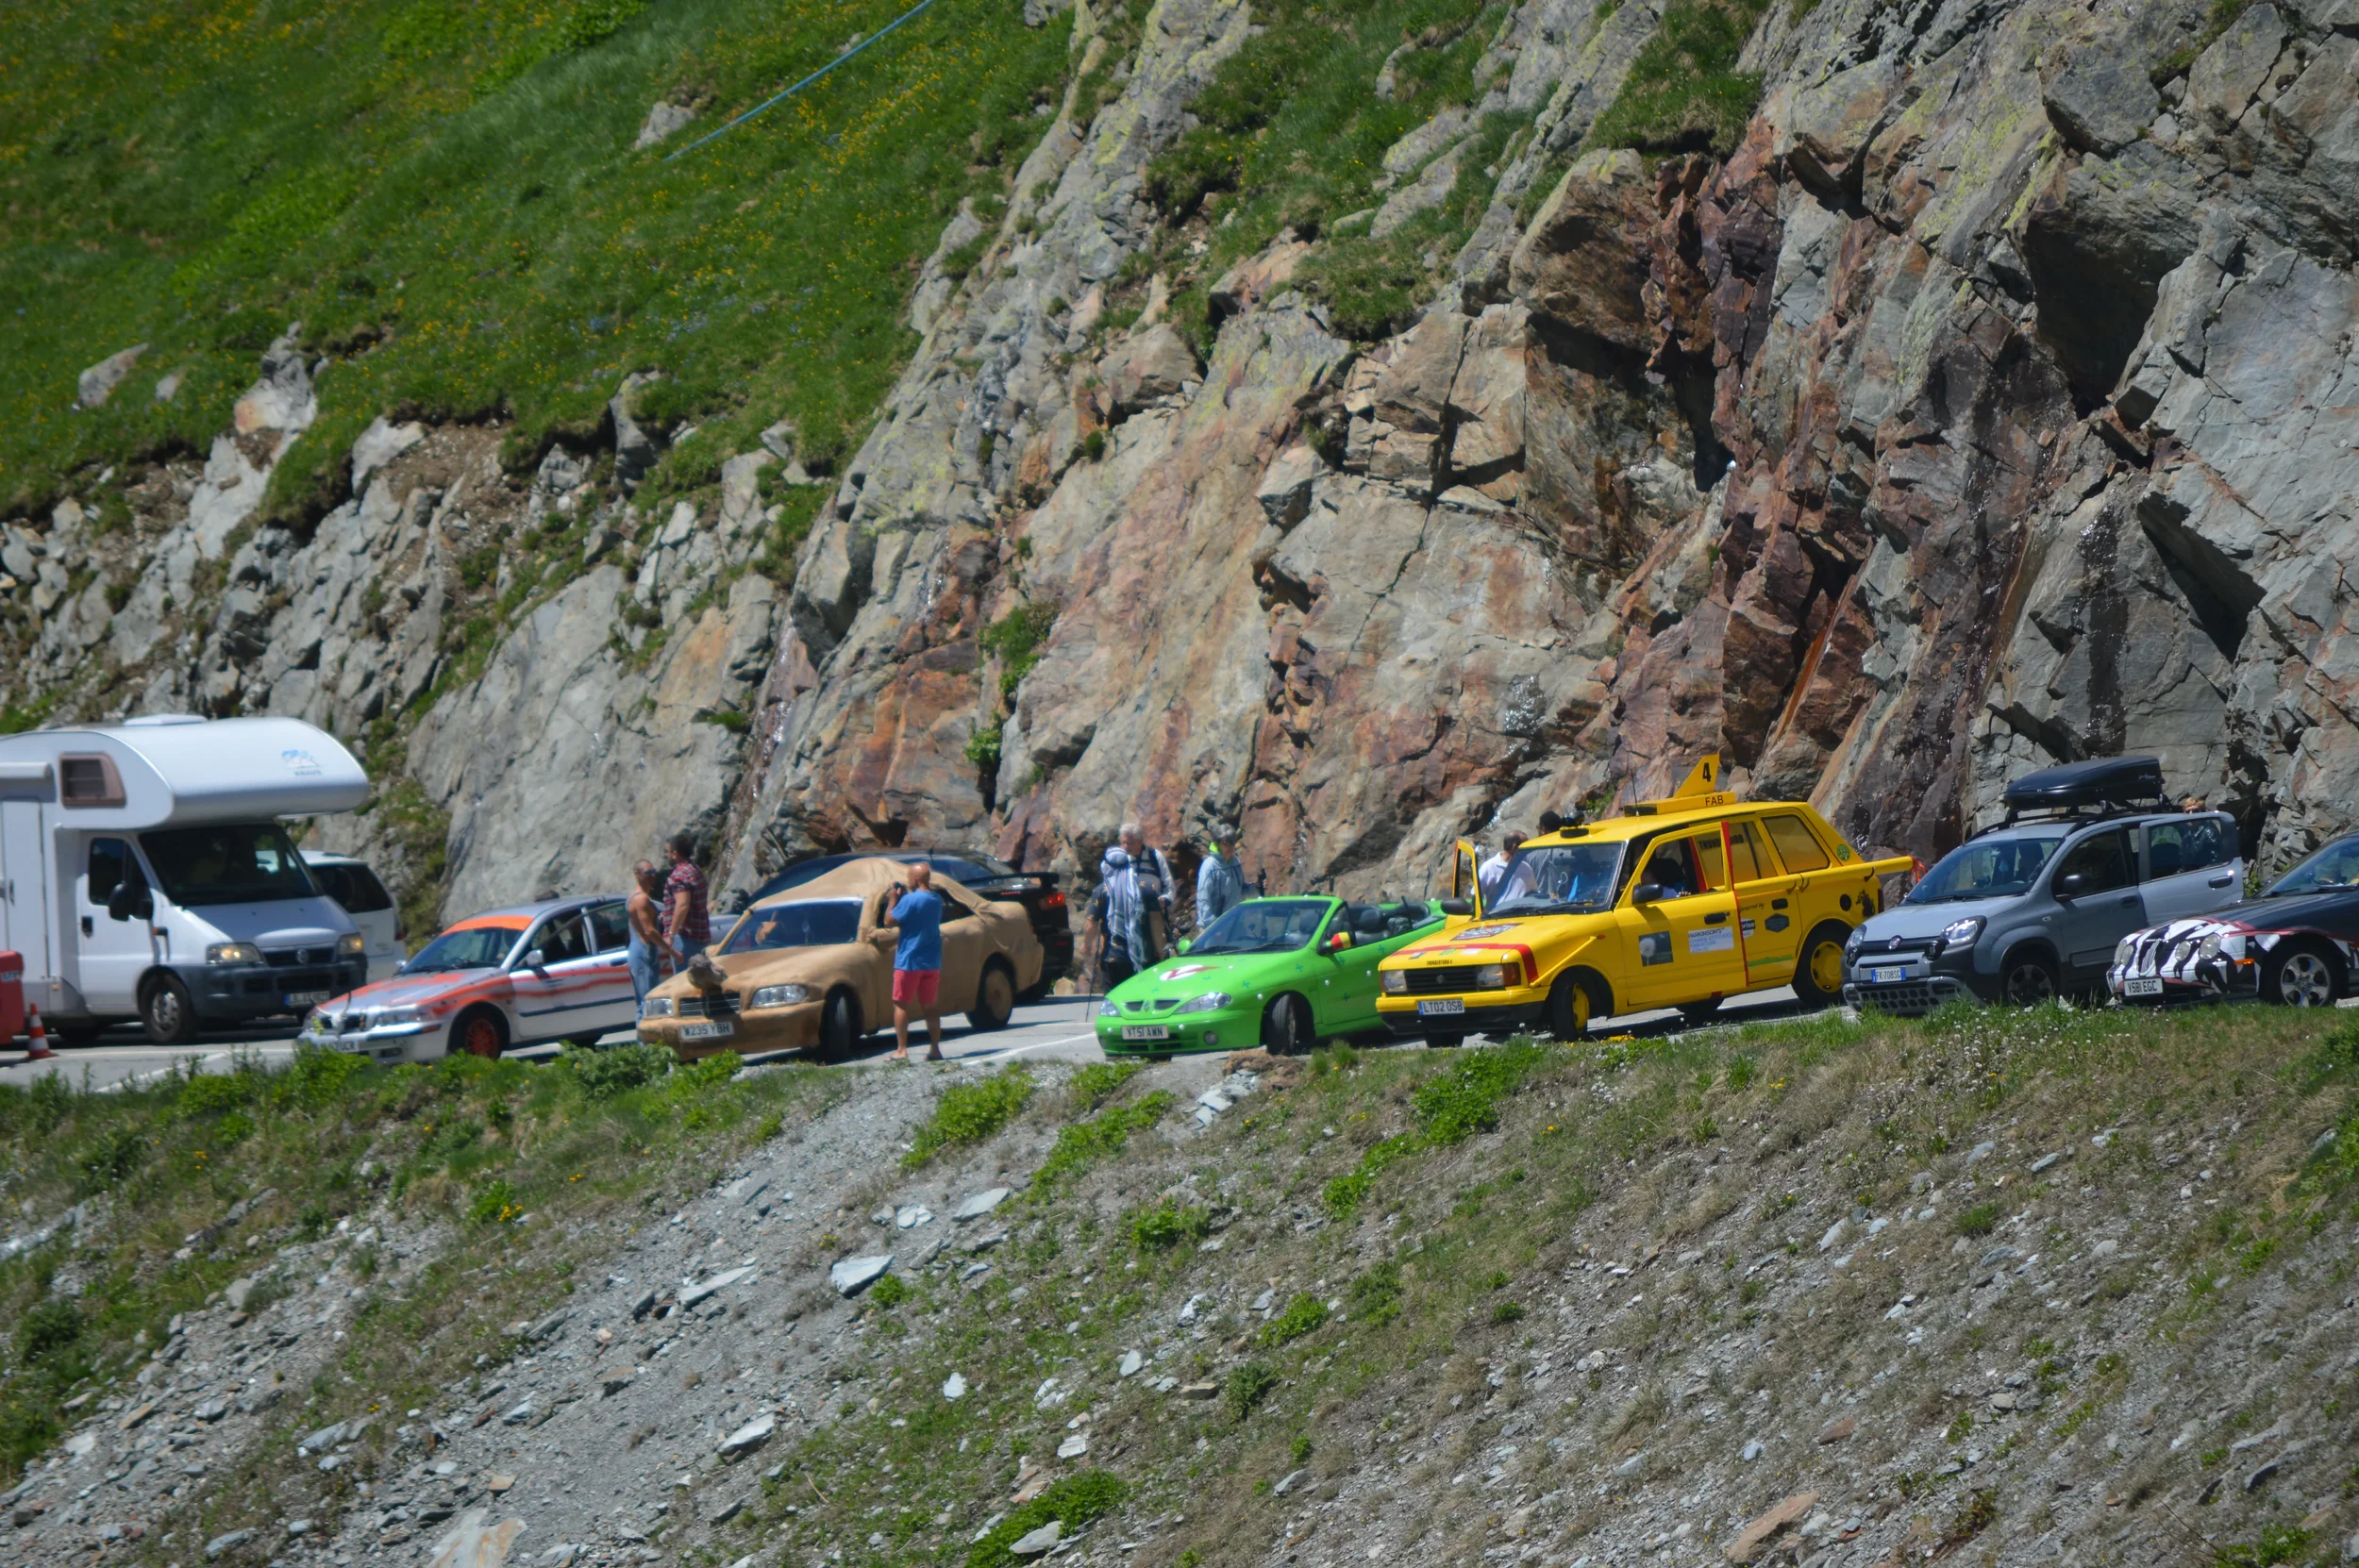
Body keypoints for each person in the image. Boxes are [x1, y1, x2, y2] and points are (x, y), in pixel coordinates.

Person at [1088, 824, 1172, 990]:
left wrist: (1164, 899)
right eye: (1123, 843)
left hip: (1149, 920)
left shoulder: (1155, 858)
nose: (1126, 847)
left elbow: (1169, 886)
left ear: (1140, 841)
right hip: (1121, 937)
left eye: (1130, 843)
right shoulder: (1121, 860)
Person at [877, 861, 945, 1062]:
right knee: (930, 1006)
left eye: (909, 877)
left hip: (909, 961)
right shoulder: (936, 899)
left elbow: (888, 921)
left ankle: (901, 1050)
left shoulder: (909, 900)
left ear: (915, 879)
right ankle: (935, 1049)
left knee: (901, 1005)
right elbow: (917, 911)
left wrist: (893, 900)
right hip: (931, 961)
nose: (908, 880)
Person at [626, 859, 671, 1020]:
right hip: (644, 953)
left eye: (653, 872)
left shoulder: (636, 897)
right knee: (648, 1004)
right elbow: (649, 931)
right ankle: (646, 1035)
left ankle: (644, 1035)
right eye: (648, 873)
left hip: (639, 951)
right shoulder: (641, 899)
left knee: (644, 1004)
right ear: (637, 875)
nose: (652, 876)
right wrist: (672, 951)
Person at [662, 831, 711, 965]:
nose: (666, 855)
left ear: (675, 854)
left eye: (667, 852)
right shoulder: (695, 869)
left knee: (685, 976)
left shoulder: (678, 875)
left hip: (684, 938)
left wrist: (671, 934)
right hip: (701, 934)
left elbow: (683, 905)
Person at [1196, 826, 1245, 933]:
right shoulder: (1209, 866)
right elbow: (1203, 900)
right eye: (1226, 843)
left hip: (1235, 925)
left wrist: (1257, 887)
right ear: (1217, 843)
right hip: (1213, 929)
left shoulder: (1235, 862)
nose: (1231, 847)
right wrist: (1214, 927)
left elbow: (1242, 890)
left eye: (1233, 842)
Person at [1477, 833, 1525, 903]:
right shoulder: (1489, 867)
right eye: (1525, 847)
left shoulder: (1526, 868)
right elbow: (1476, 897)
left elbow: (1533, 893)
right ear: (1514, 847)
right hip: (1498, 910)